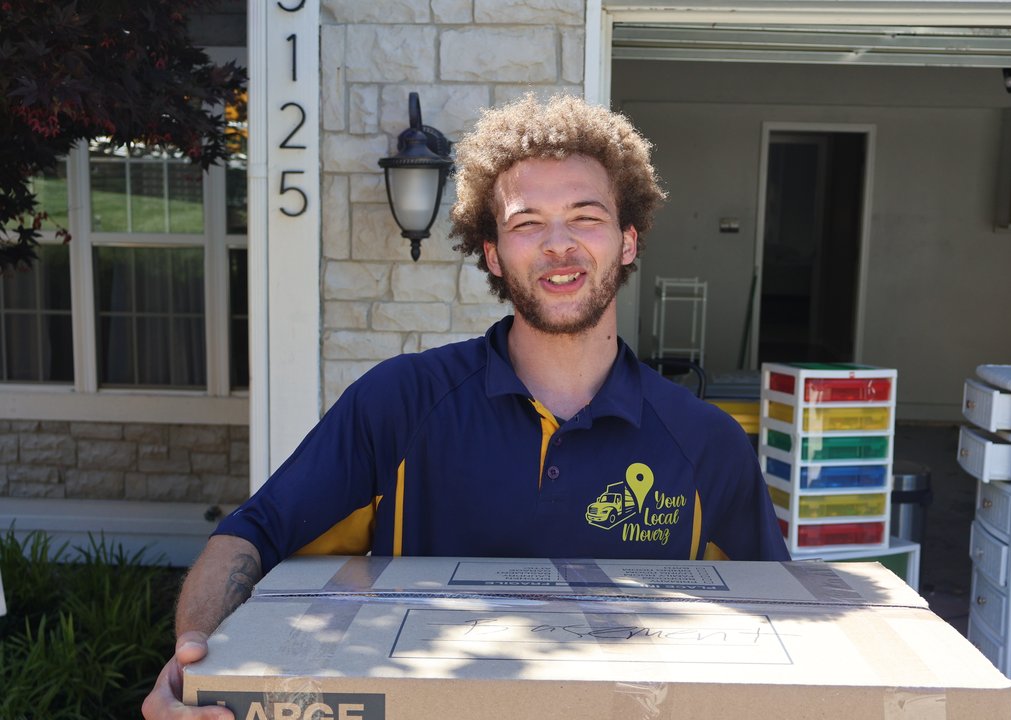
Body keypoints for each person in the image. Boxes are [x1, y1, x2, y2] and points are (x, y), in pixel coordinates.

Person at [142, 93, 789, 720]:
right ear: (493, 255)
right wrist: (194, 659)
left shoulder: (707, 444)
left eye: (585, 217)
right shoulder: (399, 403)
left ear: (627, 241)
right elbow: (251, 536)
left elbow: (783, 626)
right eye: (526, 223)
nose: (558, 243)